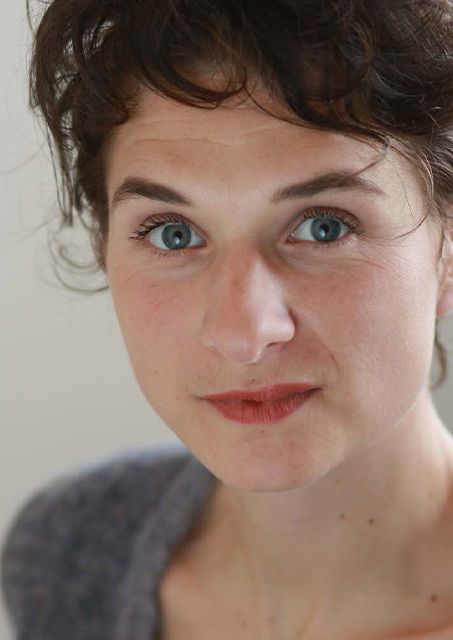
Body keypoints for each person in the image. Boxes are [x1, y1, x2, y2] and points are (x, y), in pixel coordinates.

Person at [2, 0, 453, 638]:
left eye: (324, 227)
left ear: (446, 251)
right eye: (174, 234)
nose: (244, 333)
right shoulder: (69, 552)